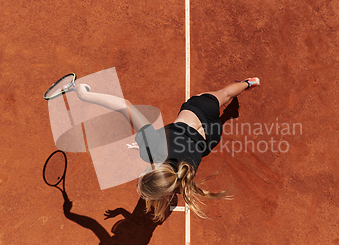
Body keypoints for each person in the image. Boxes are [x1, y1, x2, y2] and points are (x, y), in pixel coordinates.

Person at [75, 77, 260, 222]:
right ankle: (247, 83)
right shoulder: (152, 145)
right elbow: (125, 105)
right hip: (200, 109)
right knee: (225, 93)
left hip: (212, 137)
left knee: (218, 114)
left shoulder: (184, 177)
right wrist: (85, 96)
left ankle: (233, 106)